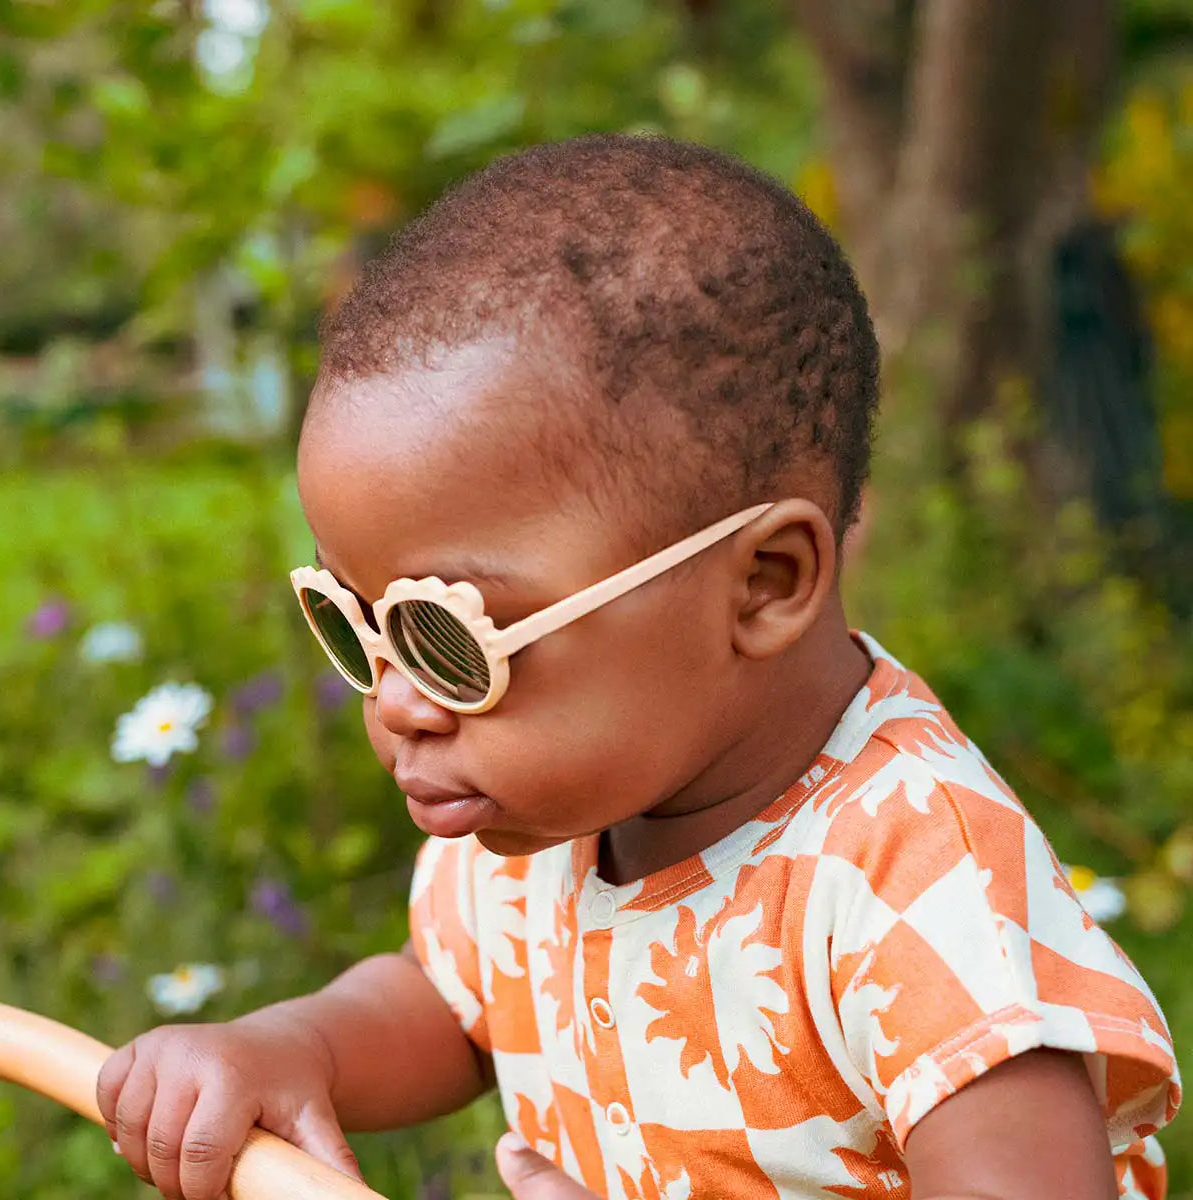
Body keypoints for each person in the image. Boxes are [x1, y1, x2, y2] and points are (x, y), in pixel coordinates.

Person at [96, 135, 1180, 1200]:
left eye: (454, 640)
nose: (398, 703)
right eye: (357, 626)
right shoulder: (539, 804)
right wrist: (291, 1048)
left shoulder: (917, 893)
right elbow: (454, 1000)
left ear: (762, 582)